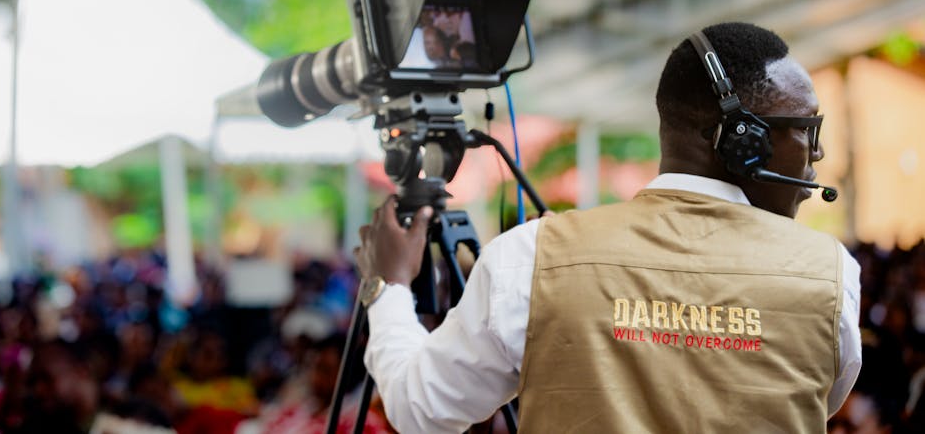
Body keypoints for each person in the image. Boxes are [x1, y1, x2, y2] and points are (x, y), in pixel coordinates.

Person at [355, 22, 862, 433]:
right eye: (807, 128)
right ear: (740, 140)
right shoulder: (831, 275)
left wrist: (387, 286)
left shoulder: (532, 258)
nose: (817, 152)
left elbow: (417, 408)